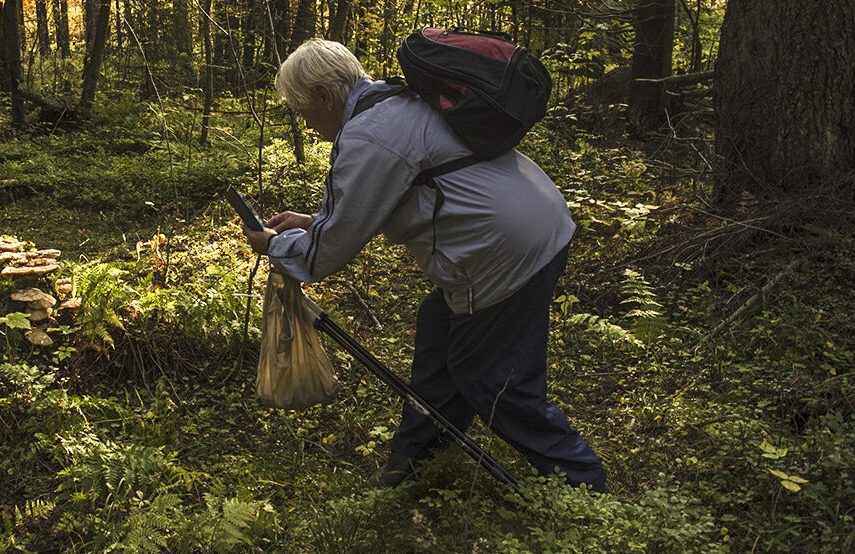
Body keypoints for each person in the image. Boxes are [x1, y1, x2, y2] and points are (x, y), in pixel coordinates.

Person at [242, 38, 607, 492]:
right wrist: (312, 221)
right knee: (440, 328)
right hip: (536, 225)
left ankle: (586, 489)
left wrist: (275, 244)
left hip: (499, 253)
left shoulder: (368, 134)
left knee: (494, 379)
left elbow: (325, 254)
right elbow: (394, 197)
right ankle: (412, 462)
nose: (310, 126)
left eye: (304, 113)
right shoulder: (399, 105)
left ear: (324, 96)